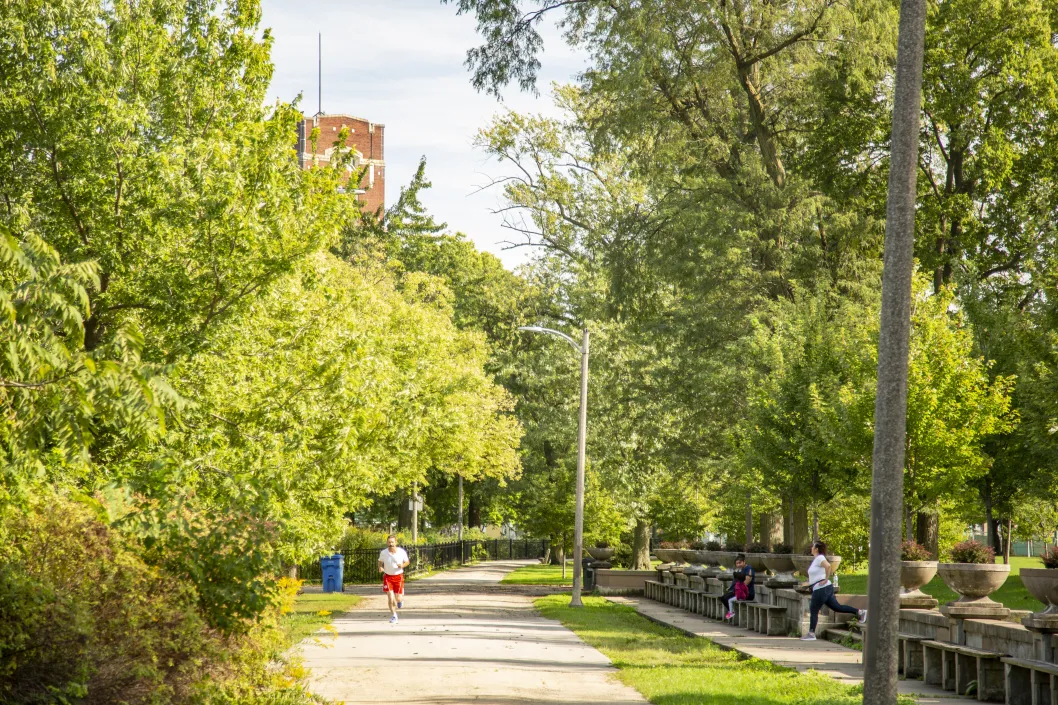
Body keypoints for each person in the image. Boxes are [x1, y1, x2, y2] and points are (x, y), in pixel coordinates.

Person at [801, 540, 866, 641]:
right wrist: (806, 584)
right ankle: (860, 612)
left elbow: (828, 566)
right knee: (837, 607)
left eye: (813, 547)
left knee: (813, 610)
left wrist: (826, 579)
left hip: (821, 589)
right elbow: (816, 575)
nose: (811, 548)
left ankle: (811, 633)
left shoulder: (820, 558)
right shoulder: (816, 559)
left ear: (816, 549)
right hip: (824, 588)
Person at [378, 534, 410, 623]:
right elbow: (380, 561)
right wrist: (380, 567)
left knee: (398, 598)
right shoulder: (384, 553)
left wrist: (402, 565)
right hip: (388, 576)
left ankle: (400, 601)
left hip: (398, 576)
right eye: (389, 542)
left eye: (392, 542)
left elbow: (407, 562)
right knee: (390, 597)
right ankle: (394, 616)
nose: (390, 544)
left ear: (396, 542)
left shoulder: (401, 552)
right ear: (387, 543)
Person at [723, 553, 755, 620]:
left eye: (740, 563)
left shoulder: (749, 569)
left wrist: (738, 589)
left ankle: (732, 612)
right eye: (737, 563)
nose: (738, 565)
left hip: (747, 593)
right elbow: (736, 581)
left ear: (744, 562)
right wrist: (731, 588)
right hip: (739, 591)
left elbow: (747, 581)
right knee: (723, 598)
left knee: (727, 599)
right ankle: (731, 611)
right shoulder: (740, 570)